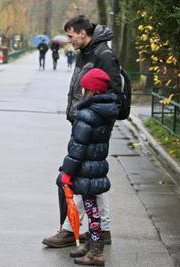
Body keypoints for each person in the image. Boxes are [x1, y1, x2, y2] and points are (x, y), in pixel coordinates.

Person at [43, 15, 122, 248]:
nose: (68, 40)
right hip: (84, 122)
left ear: (82, 33)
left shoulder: (103, 55)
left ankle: (70, 229)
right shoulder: (87, 52)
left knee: (78, 176)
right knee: (94, 179)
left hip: (92, 125)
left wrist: (92, 119)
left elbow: (114, 95)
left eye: (70, 35)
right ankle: (103, 230)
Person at [58, 68, 118, 265]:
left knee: (92, 210)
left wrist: (67, 173)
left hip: (86, 168)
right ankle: (91, 244)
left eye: (84, 89)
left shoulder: (87, 114)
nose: (82, 92)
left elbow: (77, 148)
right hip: (96, 165)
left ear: (91, 91)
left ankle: (96, 252)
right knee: (93, 208)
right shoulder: (104, 112)